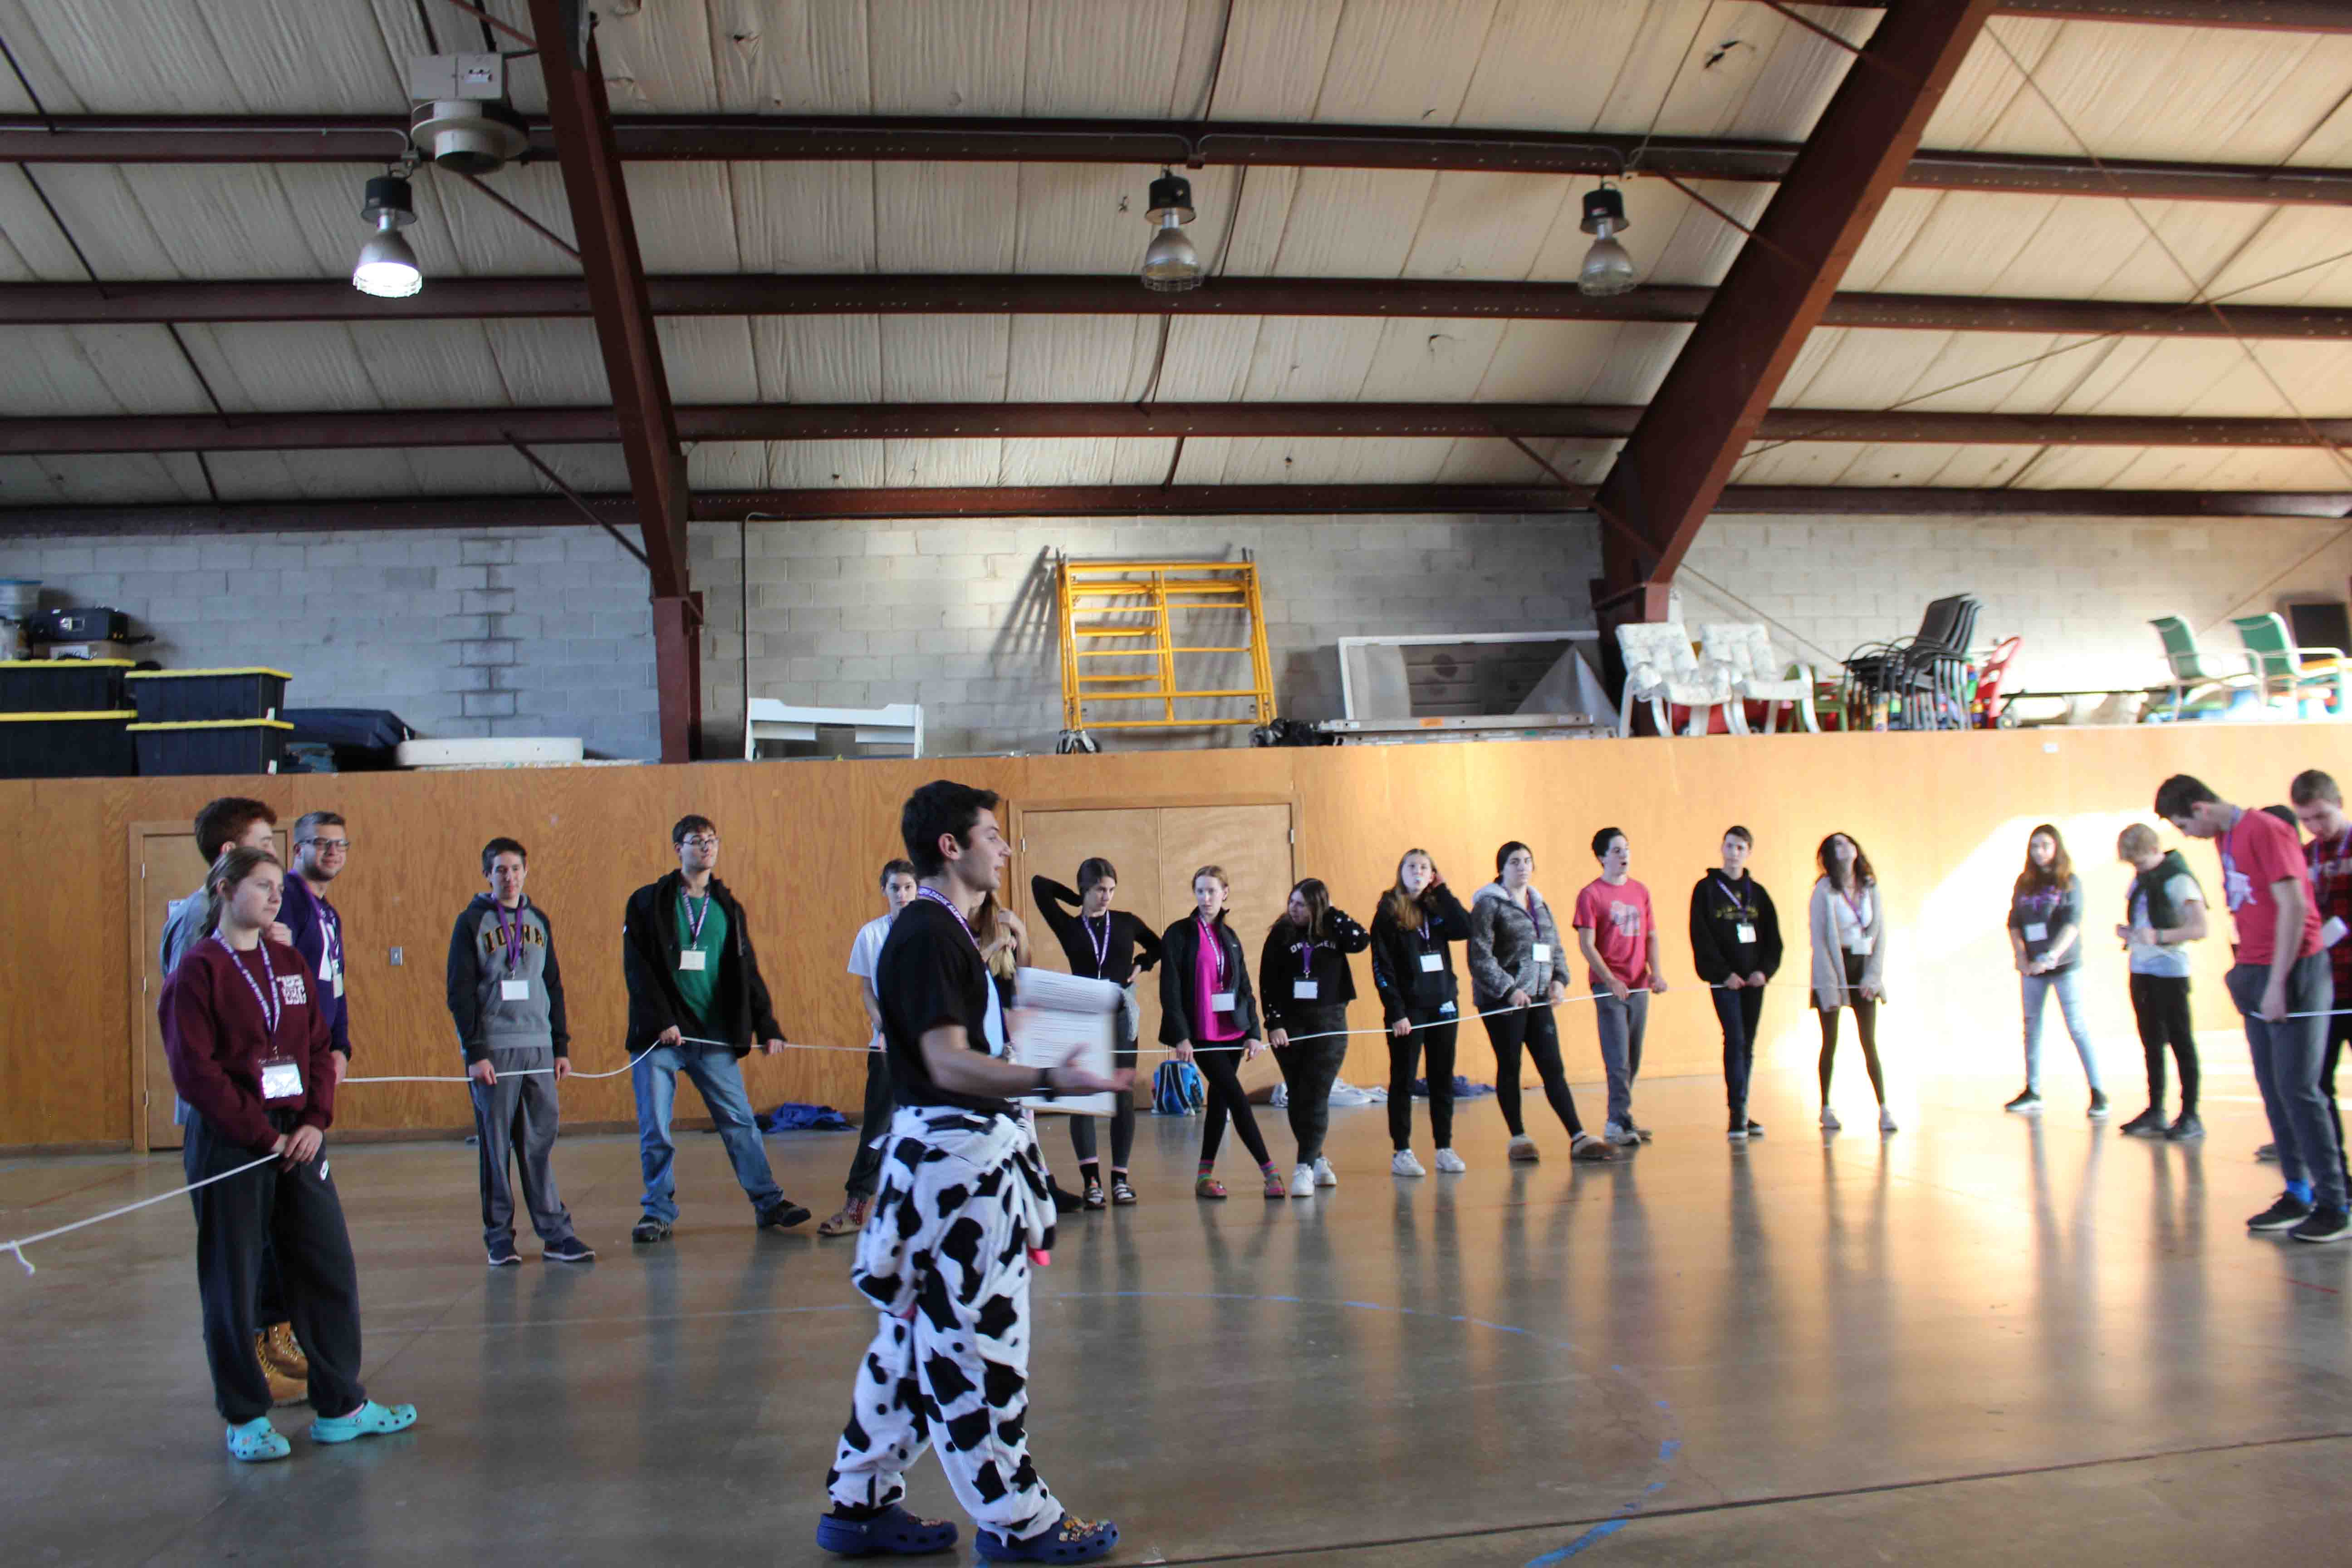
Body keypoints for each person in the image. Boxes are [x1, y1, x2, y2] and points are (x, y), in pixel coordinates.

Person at [817, 780, 1125, 1564]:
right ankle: (1018, 1521)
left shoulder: (945, 934)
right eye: (992, 834)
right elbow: (948, 1064)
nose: (1005, 846)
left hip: (947, 1167)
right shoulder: (925, 933)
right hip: (958, 1178)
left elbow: (968, 1041)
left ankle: (858, 1501)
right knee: (975, 1351)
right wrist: (1055, 1079)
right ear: (950, 846)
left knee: (906, 1344)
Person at [159, 845, 416, 1462]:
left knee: (326, 1263)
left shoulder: (288, 962)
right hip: (234, 1141)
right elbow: (196, 1075)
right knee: (235, 1276)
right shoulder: (198, 973)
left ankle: (341, 1405)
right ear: (224, 889)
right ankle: (245, 1416)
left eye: (279, 886)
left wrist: (313, 1121)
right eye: (262, 885)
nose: (276, 897)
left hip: (299, 1135)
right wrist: (262, 1134)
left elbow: (318, 1046)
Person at [2157, 774, 2348, 1243]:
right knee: (2275, 1087)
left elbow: (2292, 906)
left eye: (2184, 825)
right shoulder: (2227, 838)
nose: (2186, 837)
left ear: (2201, 808)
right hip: (2258, 972)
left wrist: (2279, 983)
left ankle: (2335, 1203)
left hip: (2297, 971)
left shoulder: (2265, 829)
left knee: (2300, 1089)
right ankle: (2298, 1190)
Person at [159, 797, 304, 1408]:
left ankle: (273, 1342)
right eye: (264, 847)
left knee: (272, 1243)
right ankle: (243, 1373)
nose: (276, 861)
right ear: (230, 860)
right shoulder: (201, 926)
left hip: (267, 1108)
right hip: (224, 1120)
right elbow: (200, 1044)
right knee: (234, 1254)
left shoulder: (265, 932)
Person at [620, 815, 810, 1243]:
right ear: (677, 849)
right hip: (661, 1039)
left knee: (741, 1123)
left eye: (711, 841)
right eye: (695, 841)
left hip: (714, 1037)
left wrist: (767, 1026)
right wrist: (662, 1021)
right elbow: (638, 970)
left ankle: (768, 1203)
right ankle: (658, 1211)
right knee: (657, 1130)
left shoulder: (728, 907)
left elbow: (747, 973)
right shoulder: (648, 902)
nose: (705, 848)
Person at [446, 837, 593, 1266]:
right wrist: (476, 1051)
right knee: (495, 1147)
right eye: (500, 870)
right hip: (496, 1051)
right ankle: (499, 1237)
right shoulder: (471, 923)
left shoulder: (539, 920)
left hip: (540, 1050)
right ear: (487, 875)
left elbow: (553, 986)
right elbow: (460, 992)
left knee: (539, 1144)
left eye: (515, 869)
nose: (508, 877)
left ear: (526, 872)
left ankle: (555, 1234)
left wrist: (561, 1045)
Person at [1469, 843, 1616, 1163]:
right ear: (1502, 869)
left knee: (1553, 1066)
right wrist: (1509, 990)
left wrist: (1560, 981)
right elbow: (1479, 957)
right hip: (1503, 1002)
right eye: (1514, 862)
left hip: (1538, 1000)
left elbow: (1555, 948)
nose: (1522, 867)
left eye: (1527, 861)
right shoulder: (1489, 905)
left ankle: (1578, 1135)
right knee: (1510, 1064)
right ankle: (1518, 1136)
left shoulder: (1539, 904)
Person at [1031, 859, 1163, 1207]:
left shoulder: (1125, 922)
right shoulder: (1069, 927)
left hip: (1120, 1013)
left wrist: (1142, 964)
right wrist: (1075, 901)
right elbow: (1039, 885)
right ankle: (1092, 1182)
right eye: (1099, 890)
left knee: (1121, 1093)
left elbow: (1159, 946)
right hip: (1083, 1013)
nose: (1106, 897)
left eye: (1111, 890)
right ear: (1085, 891)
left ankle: (1120, 1178)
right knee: (1084, 1094)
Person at [1160, 866, 1284, 1200]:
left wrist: (1254, 1032)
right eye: (1200, 891)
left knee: (1220, 1100)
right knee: (1236, 1097)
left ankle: (1204, 1177)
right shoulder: (1179, 934)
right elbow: (1169, 990)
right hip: (1201, 1034)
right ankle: (1270, 1172)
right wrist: (1181, 1036)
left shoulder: (1230, 937)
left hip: (1232, 1032)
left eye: (1212, 891)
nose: (1206, 898)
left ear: (1225, 893)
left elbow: (1244, 986)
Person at [819, 861, 921, 1239]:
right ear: (885, 891)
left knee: (934, 1127)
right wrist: (880, 1022)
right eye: (895, 888)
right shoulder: (872, 935)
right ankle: (858, 1204)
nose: (902, 894)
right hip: (886, 1047)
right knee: (878, 1127)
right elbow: (867, 990)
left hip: (928, 1049)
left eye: (909, 887)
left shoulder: (930, 933)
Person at [1259, 878, 1371, 1198]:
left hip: (1330, 1020)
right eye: (1292, 901)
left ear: (1318, 907)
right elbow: (1268, 981)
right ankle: (1317, 1157)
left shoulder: (1334, 929)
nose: (1294, 909)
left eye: (1302, 904)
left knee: (1317, 1092)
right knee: (1298, 1092)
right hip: (1290, 1024)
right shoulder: (1280, 934)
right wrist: (1274, 1023)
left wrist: (1333, 914)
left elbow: (1361, 940)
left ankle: (1304, 1167)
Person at [1370, 849, 1474, 1175]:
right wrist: (1396, 1010)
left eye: (1425, 867)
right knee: (1404, 1079)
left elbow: (1465, 928)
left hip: (1443, 1003)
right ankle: (1402, 1151)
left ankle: (1444, 1147)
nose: (1418, 872)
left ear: (1433, 874)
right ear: (1401, 872)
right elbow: (1382, 966)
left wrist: (1442, 890)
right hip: (1408, 1010)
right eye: (1411, 866)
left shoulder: (1437, 906)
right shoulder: (1388, 911)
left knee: (1442, 1077)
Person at [2004, 824, 2107, 1120]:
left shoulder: (2069, 882)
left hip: (2063, 966)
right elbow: (2013, 922)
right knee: (2032, 1026)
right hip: (2032, 967)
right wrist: (2021, 956)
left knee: (2076, 1025)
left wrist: (2051, 956)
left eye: (2045, 846)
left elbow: (2072, 923)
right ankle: (2032, 1090)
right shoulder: (2024, 883)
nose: (2039, 852)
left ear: (2057, 848)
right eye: (2034, 846)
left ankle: (2098, 1092)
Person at [1573, 827, 1668, 1147]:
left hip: (1639, 985)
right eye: (1616, 851)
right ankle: (1616, 1122)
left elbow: (1651, 936)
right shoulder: (1591, 895)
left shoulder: (1641, 891)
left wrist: (1656, 973)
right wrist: (1610, 979)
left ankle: (1623, 1115)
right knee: (1618, 1057)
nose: (1623, 855)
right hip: (1609, 986)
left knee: (1634, 1055)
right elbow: (1587, 944)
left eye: (1626, 849)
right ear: (1601, 858)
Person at [2114, 823, 2207, 1141]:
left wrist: (2160, 937)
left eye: (2140, 862)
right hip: (2142, 968)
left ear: (2155, 851)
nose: (2137, 869)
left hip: (2171, 970)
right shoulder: (2142, 880)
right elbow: (2144, 919)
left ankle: (2191, 1114)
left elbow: (2199, 928)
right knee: (2151, 1042)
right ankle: (2156, 1109)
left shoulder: (2178, 879)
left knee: (2181, 1041)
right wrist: (2132, 934)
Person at [1689, 826, 1782, 1142]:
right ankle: (1736, 1113)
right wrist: (1722, 973)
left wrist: (1764, 972)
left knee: (1749, 1044)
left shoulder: (1759, 893)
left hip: (1754, 982)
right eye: (1730, 846)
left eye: (1741, 848)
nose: (1734, 853)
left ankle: (1742, 1107)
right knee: (1735, 1037)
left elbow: (1774, 940)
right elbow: (1701, 937)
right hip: (1725, 981)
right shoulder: (1706, 889)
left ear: (1748, 852)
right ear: (1722, 848)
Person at [2289, 769, 2352, 1190]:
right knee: (2317, 1085)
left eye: (2322, 816)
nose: (2315, 827)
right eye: (2306, 819)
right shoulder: (2306, 855)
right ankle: (2338, 1181)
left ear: (2340, 804)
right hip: (2324, 989)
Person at [1810, 832, 1892, 1133]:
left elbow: (1880, 934)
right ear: (1829, 857)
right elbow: (1819, 941)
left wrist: (1874, 976)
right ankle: (1826, 1108)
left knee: (1869, 1040)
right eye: (1836, 846)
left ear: (1856, 849)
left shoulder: (1870, 886)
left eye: (1847, 843)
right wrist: (1829, 987)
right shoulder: (1824, 890)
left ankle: (1884, 1109)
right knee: (1830, 1040)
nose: (1843, 849)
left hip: (1863, 967)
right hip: (1833, 968)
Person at [279, 812, 356, 1089]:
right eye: (323, 843)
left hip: (320, 1052)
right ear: (298, 850)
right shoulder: (285, 900)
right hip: (290, 1054)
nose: (334, 851)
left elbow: (337, 985)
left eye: (341, 844)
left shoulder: (330, 913)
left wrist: (341, 1047)